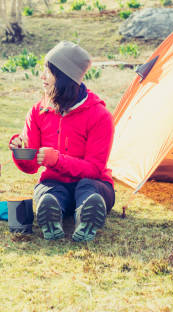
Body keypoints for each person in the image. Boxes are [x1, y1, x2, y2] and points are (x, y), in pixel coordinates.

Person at [9, 41, 115, 241]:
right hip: (55, 182)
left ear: (64, 77)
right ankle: (51, 214)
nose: (42, 77)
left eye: (48, 72)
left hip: (94, 182)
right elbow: (31, 166)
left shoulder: (100, 116)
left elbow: (94, 168)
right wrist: (20, 152)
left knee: (89, 190)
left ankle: (86, 215)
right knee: (48, 191)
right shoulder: (38, 111)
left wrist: (57, 160)